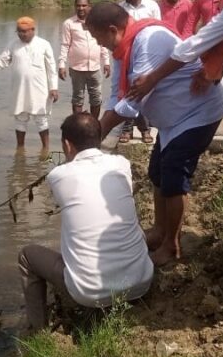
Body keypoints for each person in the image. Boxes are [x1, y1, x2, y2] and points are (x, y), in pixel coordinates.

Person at [86, 2, 223, 265]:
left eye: (97, 38)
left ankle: (171, 245)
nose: (99, 44)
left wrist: (94, 137)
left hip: (197, 114)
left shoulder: (148, 41)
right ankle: (160, 231)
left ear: (112, 29)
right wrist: (97, 129)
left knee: (174, 177)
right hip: (173, 121)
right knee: (157, 173)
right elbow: (116, 94)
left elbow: (133, 101)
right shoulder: (123, 48)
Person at [17, 112, 154, 331]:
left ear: (67, 145)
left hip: (90, 293)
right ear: (98, 139)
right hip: (141, 282)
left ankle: (37, 330)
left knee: (27, 256)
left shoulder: (58, 175)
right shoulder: (121, 163)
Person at [0, 16, 59, 156]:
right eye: (19, 31)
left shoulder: (44, 44)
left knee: (41, 118)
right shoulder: (13, 44)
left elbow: (52, 68)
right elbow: (1, 61)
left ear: (33, 30)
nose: (22, 34)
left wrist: (53, 87)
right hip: (20, 89)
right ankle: (20, 150)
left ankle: (46, 149)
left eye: (25, 31)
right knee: (20, 118)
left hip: (40, 89)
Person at [117, 0, 159, 144]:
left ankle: (145, 129)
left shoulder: (152, 6)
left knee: (144, 91)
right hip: (127, 54)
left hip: (147, 54)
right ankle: (126, 129)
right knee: (126, 90)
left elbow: (158, 29)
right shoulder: (120, 9)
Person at [59, 0, 110, 118]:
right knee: (78, 98)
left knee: (96, 97)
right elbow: (65, 45)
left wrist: (107, 62)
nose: (81, 8)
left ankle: (94, 125)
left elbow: (102, 42)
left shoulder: (97, 23)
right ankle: (78, 126)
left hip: (95, 67)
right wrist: (61, 65)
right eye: (78, 5)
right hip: (77, 68)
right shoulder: (69, 23)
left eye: (84, 5)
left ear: (90, 7)